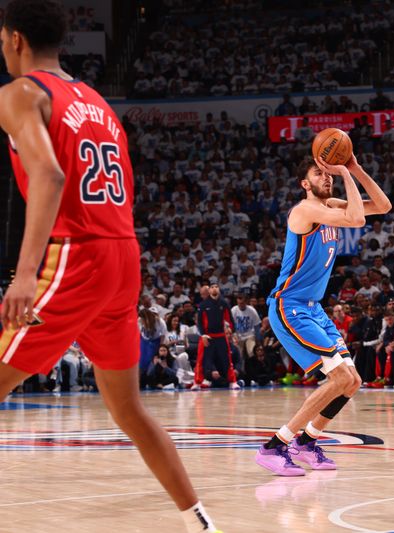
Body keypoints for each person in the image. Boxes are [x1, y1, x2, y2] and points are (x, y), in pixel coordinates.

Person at [0, 2, 219, 531]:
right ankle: (200, 521)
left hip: (78, 250)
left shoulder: (20, 93)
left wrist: (26, 273)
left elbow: (49, 178)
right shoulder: (99, 103)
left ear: (13, 40)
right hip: (123, 253)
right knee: (127, 410)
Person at [256, 153, 391, 476]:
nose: (325, 177)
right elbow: (358, 220)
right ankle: (274, 446)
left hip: (313, 308)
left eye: (327, 173)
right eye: (319, 173)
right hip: (290, 305)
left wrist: (356, 168)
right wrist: (345, 172)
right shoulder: (305, 210)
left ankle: (307, 441)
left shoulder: (330, 206)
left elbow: (382, 206)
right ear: (305, 183)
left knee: (353, 380)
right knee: (340, 377)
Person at [193, 283, 238, 390]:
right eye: (212, 287)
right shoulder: (203, 305)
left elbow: (230, 319)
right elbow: (199, 322)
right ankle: (197, 382)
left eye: (216, 287)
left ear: (219, 289)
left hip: (221, 336)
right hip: (207, 336)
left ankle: (233, 381)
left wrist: (232, 330)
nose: (214, 289)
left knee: (227, 359)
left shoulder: (224, 303)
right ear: (209, 291)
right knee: (201, 359)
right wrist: (203, 335)